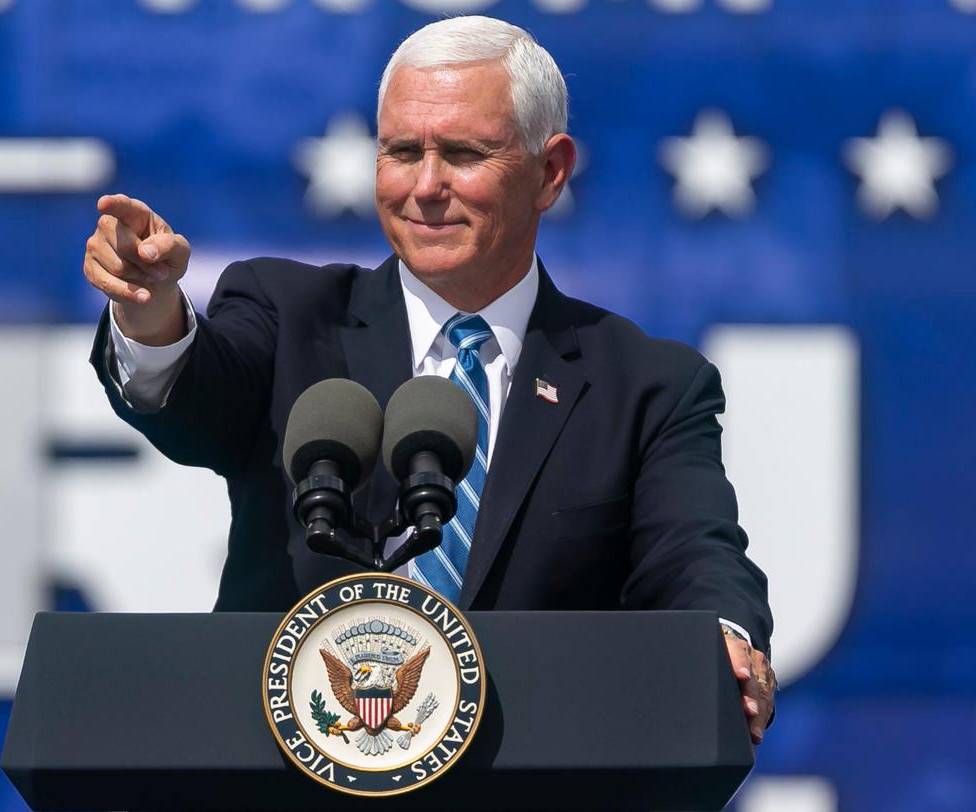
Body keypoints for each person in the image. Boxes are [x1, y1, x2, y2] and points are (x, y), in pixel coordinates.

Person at [82, 16, 776, 743]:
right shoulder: (289, 313)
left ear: (550, 171)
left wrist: (724, 643)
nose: (426, 186)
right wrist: (151, 311)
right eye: (402, 151)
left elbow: (696, 550)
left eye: (466, 153)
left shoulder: (648, 386)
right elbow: (197, 400)